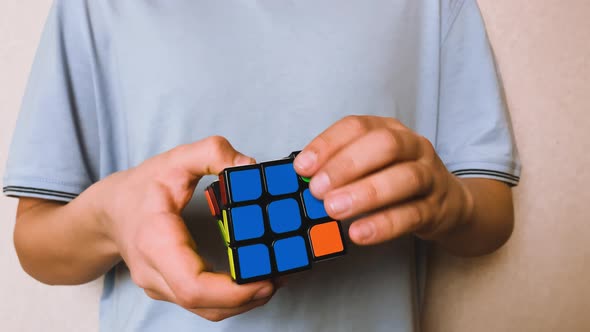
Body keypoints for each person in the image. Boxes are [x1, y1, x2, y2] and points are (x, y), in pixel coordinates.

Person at [3, 0, 520, 331]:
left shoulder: (433, 6)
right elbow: (36, 243)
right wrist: (108, 218)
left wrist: (449, 203)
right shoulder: (91, 7)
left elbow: (490, 214)